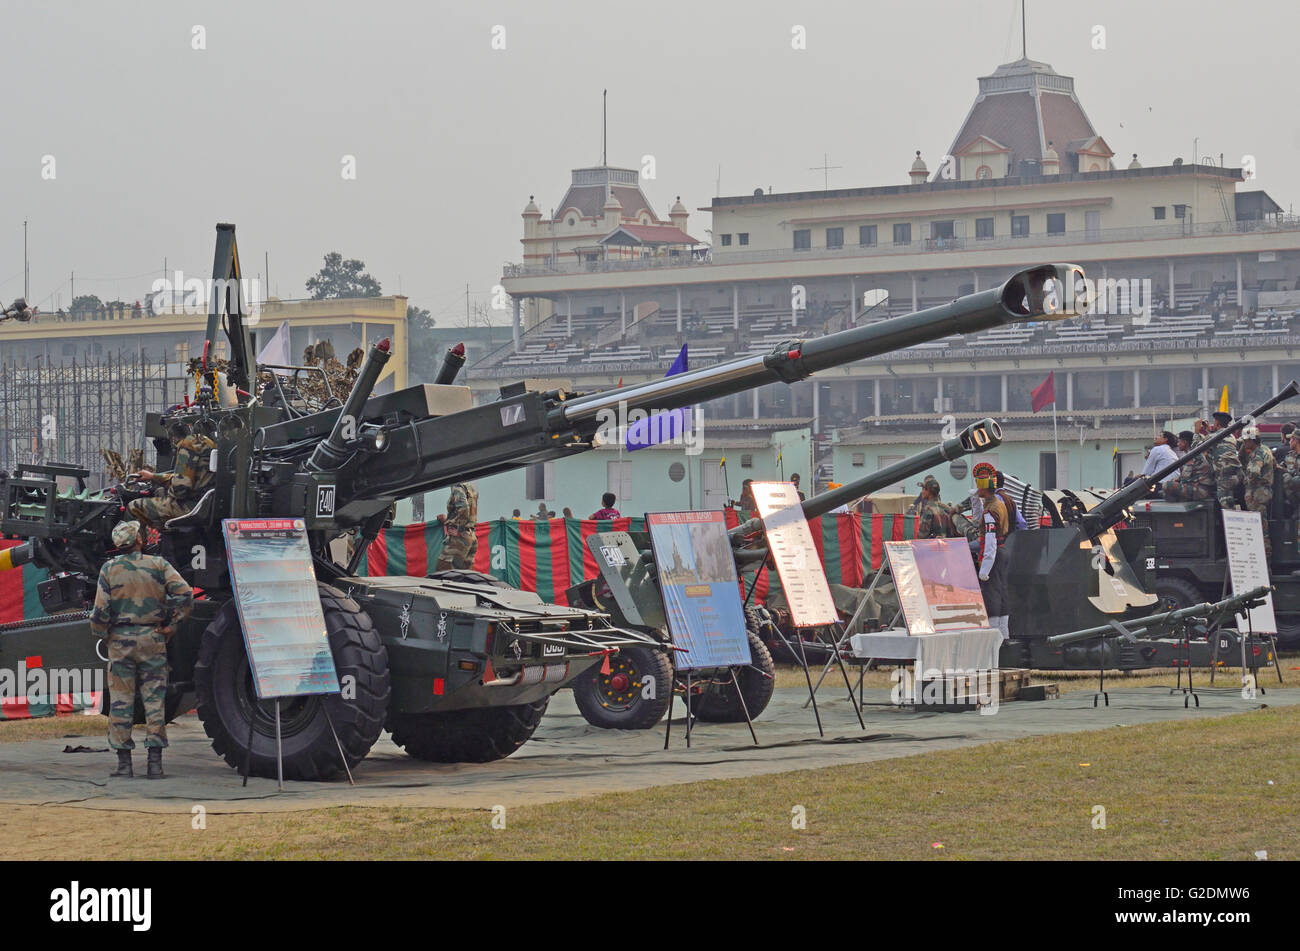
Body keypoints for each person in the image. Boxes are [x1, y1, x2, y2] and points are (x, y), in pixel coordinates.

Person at [89, 521, 193, 779]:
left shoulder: (109, 569)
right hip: (152, 638)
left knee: (121, 702)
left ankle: (124, 765)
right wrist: (172, 625)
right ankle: (155, 764)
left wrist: (104, 634)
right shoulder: (159, 565)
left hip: (120, 641)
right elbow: (185, 594)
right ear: (139, 540)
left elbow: (99, 613)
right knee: (154, 701)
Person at [126, 420, 216, 529]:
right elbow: (188, 478)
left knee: (134, 507)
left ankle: (135, 545)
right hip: (204, 503)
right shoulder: (205, 442)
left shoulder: (188, 444)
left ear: (173, 436)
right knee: (159, 492)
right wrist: (153, 477)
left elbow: (180, 490)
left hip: (191, 506)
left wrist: (168, 492)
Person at [971, 462, 1010, 639]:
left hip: (994, 555)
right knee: (1001, 594)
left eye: (979, 484)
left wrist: (985, 568)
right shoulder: (995, 503)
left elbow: (990, 541)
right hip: (1001, 553)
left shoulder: (991, 509)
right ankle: (1003, 635)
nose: (977, 488)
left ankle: (994, 638)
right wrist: (975, 500)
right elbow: (977, 518)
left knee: (991, 596)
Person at [1240, 426, 1275, 558]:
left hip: (1257, 495)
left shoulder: (1258, 453)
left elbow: (1254, 472)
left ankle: (1265, 561)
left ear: (1251, 440)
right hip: (1262, 493)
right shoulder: (1265, 449)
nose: (1244, 443)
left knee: (1259, 529)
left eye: (1245, 441)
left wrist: (1246, 480)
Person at [1203, 411, 1243, 510]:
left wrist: (1196, 432)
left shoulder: (1212, 437)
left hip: (1224, 475)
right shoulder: (1232, 437)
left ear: (1217, 423)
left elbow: (1195, 448)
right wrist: (1210, 431)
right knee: (1229, 501)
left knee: (1226, 505)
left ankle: (1233, 524)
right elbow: (1218, 442)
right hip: (1237, 474)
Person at [435, 482, 479, 570]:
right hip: (471, 536)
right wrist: (448, 520)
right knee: (467, 577)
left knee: (444, 572)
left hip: (460, 538)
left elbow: (464, 508)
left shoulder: (457, 486)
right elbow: (469, 513)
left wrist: (459, 529)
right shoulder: (470, 488)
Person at [1165, 431, 1214, 501]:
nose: (1178, 444)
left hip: (1200, 490)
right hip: (1199, 488)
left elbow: (1185, 479)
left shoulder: (1191, 456)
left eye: (1179, 442)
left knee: (1167, 486)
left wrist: (1176, 482)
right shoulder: (1193, 454)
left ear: (1185, 442)